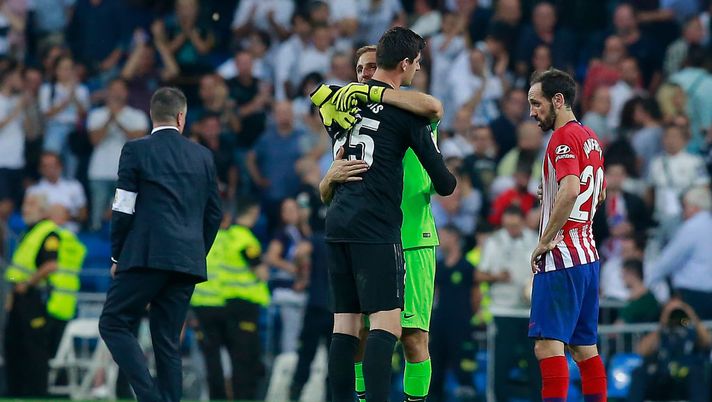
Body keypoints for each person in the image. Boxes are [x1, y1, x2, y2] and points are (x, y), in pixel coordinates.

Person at [311, 27, 456, 402]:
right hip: (377, 229)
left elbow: (433, 107)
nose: (364, 75)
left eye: (372, 68)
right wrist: (327, 178)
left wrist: (377, 93)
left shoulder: (411, 107)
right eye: (359, 71)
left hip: (412, 237)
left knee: (411, 338)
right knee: (366, 331)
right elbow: (329, 191)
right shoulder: (351, 118)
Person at [98, 87, 222, 402]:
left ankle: (150, 397)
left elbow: (123, 207)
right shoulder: (203, 156)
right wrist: (194, 252)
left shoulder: (136, 150)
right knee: (167, 340)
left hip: (144, 255)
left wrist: (117, 254)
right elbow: (214, 215)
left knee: (113, 322)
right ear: (182, 117)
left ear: (152, 116)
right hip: (187, 261)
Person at [527, 69, 607, 402]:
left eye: (537, 103)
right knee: (585, 349)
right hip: (588, 257)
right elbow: (598, 195)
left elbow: (572, 188)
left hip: (562, 257)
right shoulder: (591, 137)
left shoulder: (561, 138)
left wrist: (546, 238)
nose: (532, 112)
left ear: (558, 101)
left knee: (548, 346)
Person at [4, 193, 58, 397]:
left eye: (31, 204)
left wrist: (28, 283)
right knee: (13, 345)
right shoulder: (29, 231)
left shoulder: (49, 232)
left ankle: (37, 393)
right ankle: (14, 392)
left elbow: (51, 264)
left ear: (43, 209)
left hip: (33, 297)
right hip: (17, 296)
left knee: (34, 347)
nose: (26, 208)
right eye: (25, 203)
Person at [429, 225, 479, 402]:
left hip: (461, 322)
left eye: (443, 235)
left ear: (454, 237)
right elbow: (435, 294)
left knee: (462, 366)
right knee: (436, 365)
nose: (440, 239)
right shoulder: (439, 265)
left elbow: (476, 295)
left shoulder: (467, 266)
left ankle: (468, 395)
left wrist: (469, 316)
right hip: (440, 321)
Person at [646, 186, 712, 320]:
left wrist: (650, 280)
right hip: (706, 292)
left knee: (692, 337)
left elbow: (669, 260)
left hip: (693, 295)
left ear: (695, 207)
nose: (683, 212)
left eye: (685, 207)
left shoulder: (692, 227)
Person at [629, 299, 712, 402]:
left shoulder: (692, 332)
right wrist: (663, 321)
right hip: (663, 375)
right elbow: (641, 350)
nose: (676, 317)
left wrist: (690, 314)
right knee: (639, 373)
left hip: (686, 375)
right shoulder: (661, 334)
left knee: (698, 374)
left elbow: (708, 342)